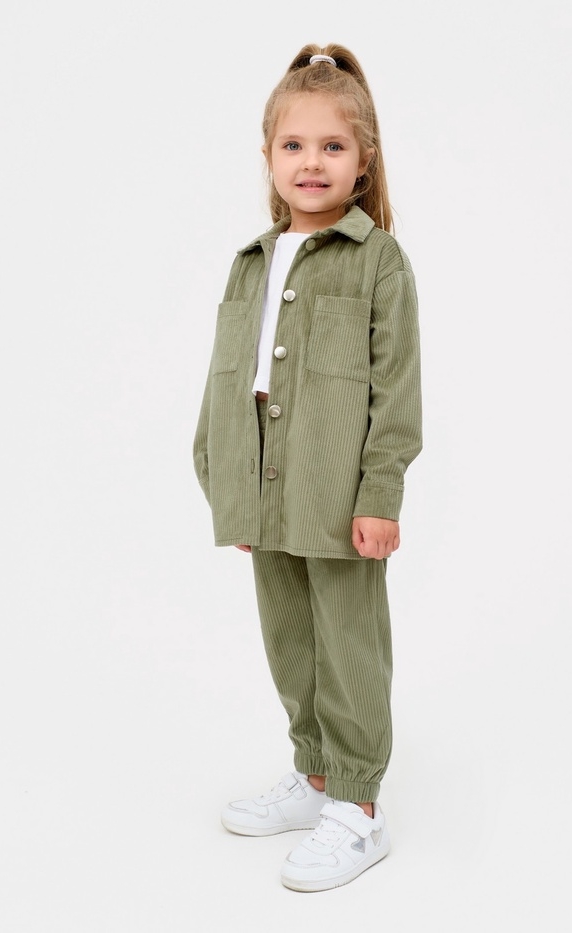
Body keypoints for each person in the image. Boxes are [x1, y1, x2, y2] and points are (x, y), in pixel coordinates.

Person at [192, 43, 422, 892]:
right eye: (294, 144)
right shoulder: (252, 259)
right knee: (289, 638)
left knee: (349, 643)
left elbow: (396, 390)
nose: (312, 161)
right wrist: (226, 481)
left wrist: (380, 493)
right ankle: (316, 773)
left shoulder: (378, 260)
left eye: (333, 145)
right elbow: (229, 376)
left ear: (364, 160)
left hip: (339, 492)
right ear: (268, 155)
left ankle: (359, 805)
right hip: (264, 486)